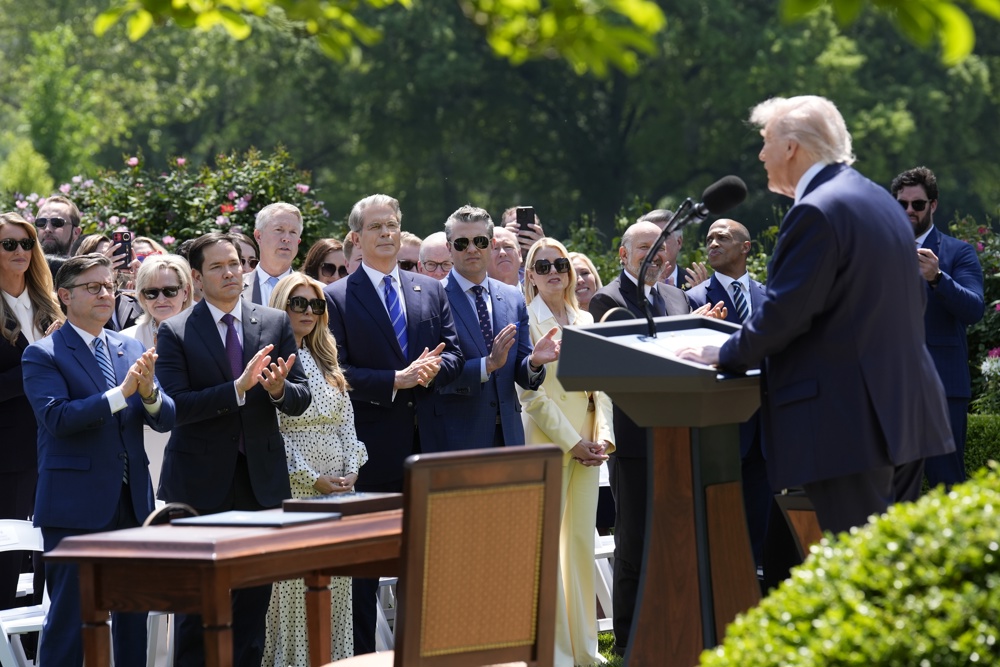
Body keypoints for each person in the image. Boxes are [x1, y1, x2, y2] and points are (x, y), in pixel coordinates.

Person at [676, 95, 954, 534]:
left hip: (850, 423)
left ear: (791, 148)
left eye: (766, 141)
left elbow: (786, 313)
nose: (761, 155)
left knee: (859, 561)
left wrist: (725, 352)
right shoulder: (879, 201)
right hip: (904, 412)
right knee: (889, 561)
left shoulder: (816, 211)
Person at [155, 232, 311, 666]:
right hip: (199, 484)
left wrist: (278, 391)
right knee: (198, 605)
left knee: (252, 604)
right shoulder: (175, 330)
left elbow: (301, 396)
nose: (230, 272)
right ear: (197, 278)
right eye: (218, 267)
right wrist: (236, 389)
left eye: (235, 263)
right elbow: (176, 406)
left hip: (260, 481)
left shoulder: (274, 322)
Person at [324, 193, 462, 655]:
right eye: (376, 226)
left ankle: (426, 655)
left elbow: (455, 354)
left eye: (393, 225)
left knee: (426, 567)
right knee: (365, 571)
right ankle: (364, 658)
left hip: (429, 448)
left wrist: (433, 369)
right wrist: (394, 380)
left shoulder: (430, 289)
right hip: (373, 451)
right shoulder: (336, 298)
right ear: (356, 238)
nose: (387, 233)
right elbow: (336, 370)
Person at [23, 253, 175, 667]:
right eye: (93, 287)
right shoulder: (43, 353)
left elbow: (165, 418)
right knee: (71, 620)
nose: (106, 294)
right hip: (74, 506)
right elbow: (58, 418)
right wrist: (121, 394)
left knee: (133, 616)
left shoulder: (130, 347)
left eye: (110, 285)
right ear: (65, 295)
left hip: (133, 503)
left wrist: (148, 394)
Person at [588, 219, 724, 657]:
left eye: (661, 246)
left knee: (678, 538)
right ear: (623, 255)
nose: (656, 254)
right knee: (634, 544)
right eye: (645, 246)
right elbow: (627, 360)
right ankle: (630, 642)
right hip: (635, 441)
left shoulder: (677, 296)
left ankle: (677, 628)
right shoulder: (607, 299)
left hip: (679, 437)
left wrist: (698, 329)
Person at [263, 273, 367, 665]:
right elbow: (271, 433)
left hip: (340, 490)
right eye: (298, 303)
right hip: (295, 487)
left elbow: (346, 423)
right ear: (281, 306)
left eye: (316, 304)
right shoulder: (271, 360)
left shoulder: (327, 359)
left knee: (336, 584)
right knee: (293, 586)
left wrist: (352, 469)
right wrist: (310, 477)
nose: (308, 311)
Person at [518, 237, 612, 667]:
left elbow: (604, 385)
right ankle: (555, 654)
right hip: (549, 444)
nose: (553, 272)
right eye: (543, 266)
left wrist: (603, 438)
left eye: (560, 264)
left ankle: (585, 651)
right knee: (548, 550)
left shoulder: (586, 318)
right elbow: (530, 396)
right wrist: (572, 442)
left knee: (580, 544)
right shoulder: (525, 319)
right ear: (531, 276)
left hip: (590, 445)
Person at [426, 205, 558, 451]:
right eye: (462, 243)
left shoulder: (513, 297)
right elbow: (431, 374)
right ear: (449, 248)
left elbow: (521, 371)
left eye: (480, 241)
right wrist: (486, 365)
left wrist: (534, 362)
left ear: (491, 244)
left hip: (509, 436)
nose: (472, 249)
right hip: (457, 438)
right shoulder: (431, 297)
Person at [890, 166, 984, 489]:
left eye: (917, 204)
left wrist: (938, 278)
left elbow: (974, 309)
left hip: (942, 388)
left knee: (947, 485)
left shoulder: (958, 252)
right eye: (902, 204)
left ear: (933, 205)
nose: (909, 210)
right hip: (891, 389)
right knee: (893, 491)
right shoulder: (880, 252)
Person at [685, 219, 771, 568]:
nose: (713, 244)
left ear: (745, 247)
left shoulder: (769, 296)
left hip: (766, 433)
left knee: (761, 535)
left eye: (722, 237)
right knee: (720, 531)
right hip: (721, 432)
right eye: (709, 239)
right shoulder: (693, 300)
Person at [0, 213, 63, 612]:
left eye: (27, 243)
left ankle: (44, 642)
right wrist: (38, 357)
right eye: (9, 244)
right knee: (7, 559)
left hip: (59, 442)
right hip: (9, 452)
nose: (20, 251)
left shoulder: (49, 302)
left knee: (52, 554)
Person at [121, 254, 194, 348]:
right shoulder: (125, 341)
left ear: (186, 292)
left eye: (169, 291)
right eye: (151, 292)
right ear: (142, 296)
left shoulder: (206, 336)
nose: (161, 300)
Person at [245, 202, 302, 305]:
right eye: (279, 230)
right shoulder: (233, 288)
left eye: (293, 232)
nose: (286, 238)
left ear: (298, 241)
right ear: (258, 236)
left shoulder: (318, 292)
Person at [641, 209, 709, 288]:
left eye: (662, 238)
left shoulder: (698, 285)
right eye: (648, 239)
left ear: (679, 242)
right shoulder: (632, 284)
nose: (654, 245)